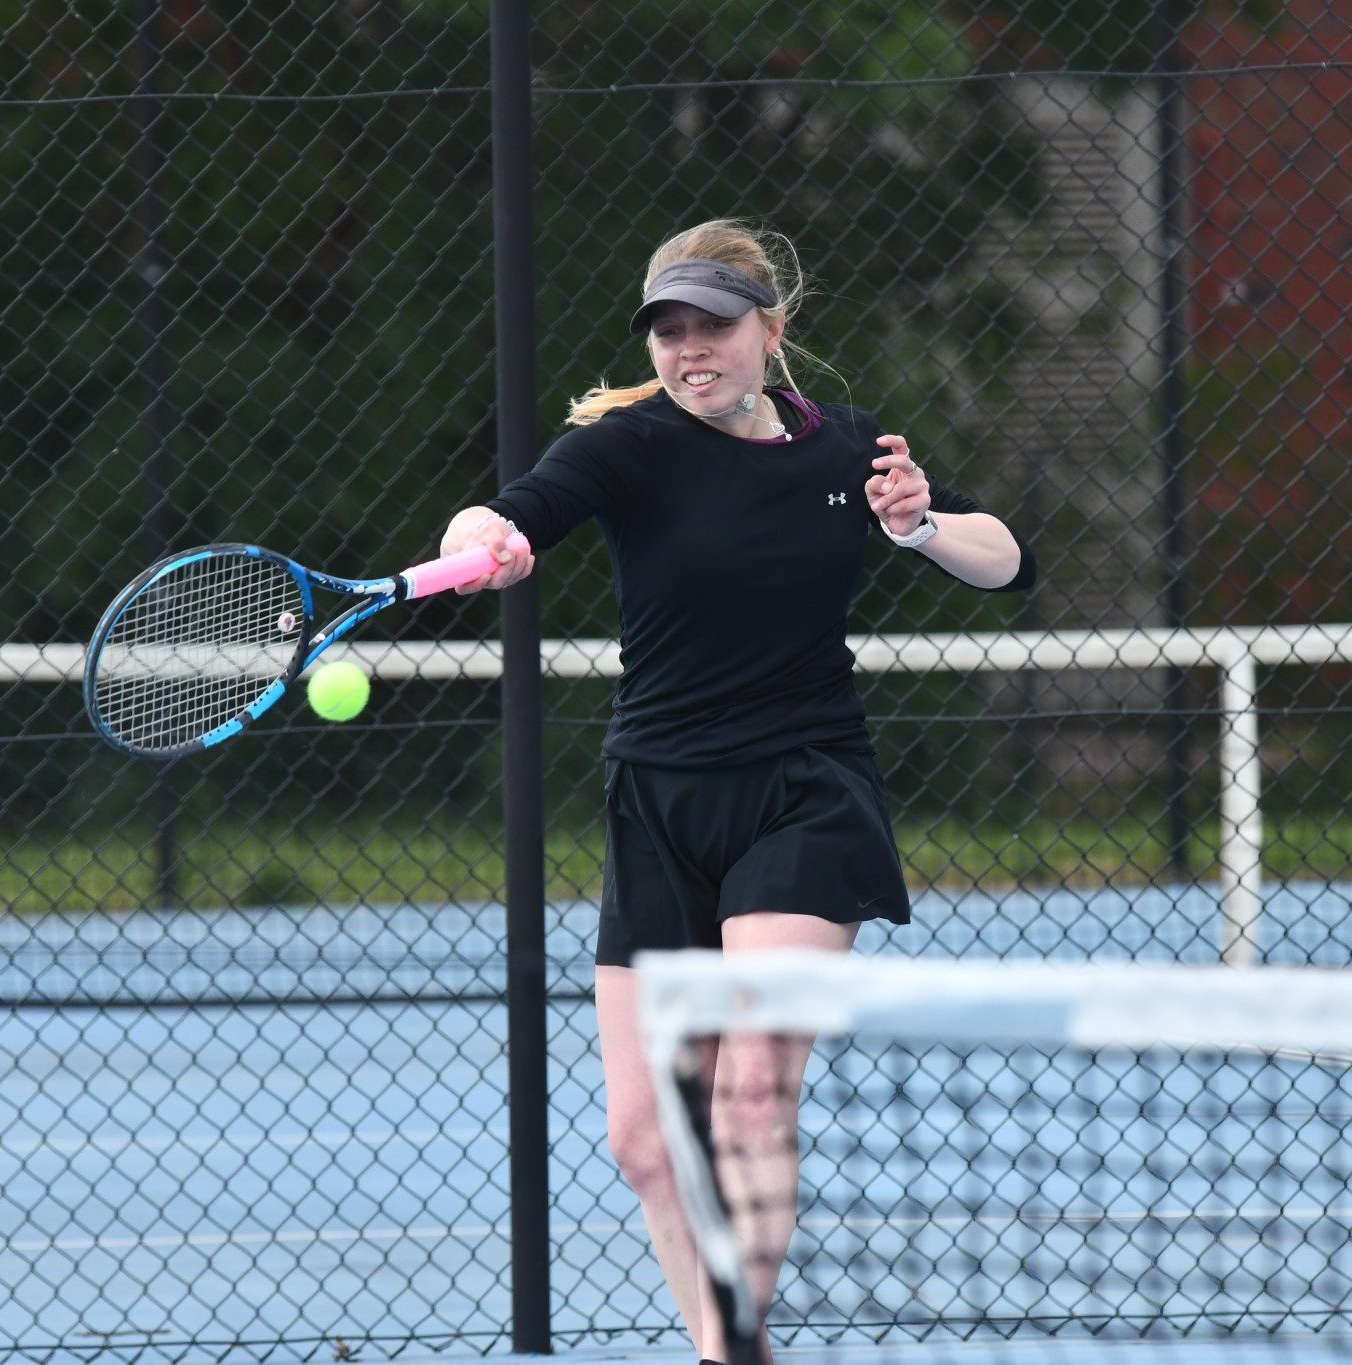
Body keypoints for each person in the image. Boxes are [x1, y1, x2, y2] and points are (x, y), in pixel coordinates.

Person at [437, 219, 1033, 1362]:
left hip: (804, 792)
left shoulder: (848, 448)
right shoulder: (629, 447)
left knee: (750, 1094)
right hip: (658, 805)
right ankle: (729, 1340)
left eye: (710, 324)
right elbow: (514, 508)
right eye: (666, 329)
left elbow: (1006, 559)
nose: (687, 348)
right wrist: (488, 538)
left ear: (769, 328)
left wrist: (919, 527)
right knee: (646, 1142)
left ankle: (728, 1358)